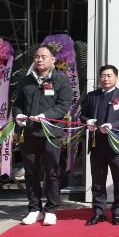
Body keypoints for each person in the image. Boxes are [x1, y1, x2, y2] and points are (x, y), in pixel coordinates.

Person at [12, 45, 72, 226]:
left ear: (53, 59)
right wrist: (18, 116)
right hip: (29, 134)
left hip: (50, 134)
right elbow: (17, 103)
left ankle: (51, 209)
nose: (39, 60)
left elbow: (64, 104)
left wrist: (46, 115)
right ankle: (34, 209)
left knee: (52, 172)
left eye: (43, 56)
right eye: (37, 57)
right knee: (31, 173)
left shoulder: (61, 79)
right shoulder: (27, 80)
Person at [80, 65, 119, 226]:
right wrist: (88, 121)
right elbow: (82, 115)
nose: (106, 79)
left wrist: (113, 125)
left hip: (116, 143)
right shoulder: (92, 96)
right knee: (97, 179)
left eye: (109, 76)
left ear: (116, 77)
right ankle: (99, 211)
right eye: (103, 75)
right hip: (97, 143)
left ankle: (117, 211)